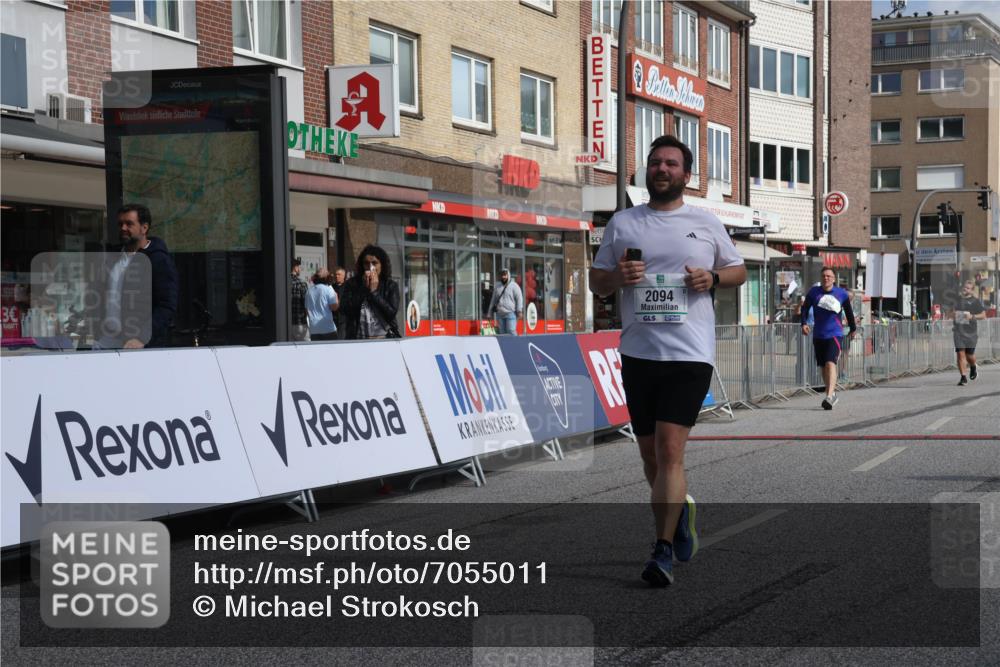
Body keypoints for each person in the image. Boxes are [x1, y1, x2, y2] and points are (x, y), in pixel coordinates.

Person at [589, 135, 746, 587]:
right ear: (647, 172)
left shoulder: (705, 221)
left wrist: (712, 277)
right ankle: (679, 514)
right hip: (639, 351)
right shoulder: (623, 223)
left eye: (671, 164)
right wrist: (617, 276)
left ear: (686, 174)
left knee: (669, 449)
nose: (662, 169)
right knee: (648, 455)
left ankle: (661, 551)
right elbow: (598, 281)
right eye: (655, 163)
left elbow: (737, 270)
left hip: (689, 353)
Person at [97, 203, 178, 349]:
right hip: (108, 340)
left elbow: (166, 305)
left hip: (139, 346)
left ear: (144, 228)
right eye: (120, 224)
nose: (123, 228)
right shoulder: (112, 259)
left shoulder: (158, 260)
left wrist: (142, 338)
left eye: (129, 224)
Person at [800, 267, 857, 409]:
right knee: (823, 366)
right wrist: (804, 323)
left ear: (834, 279)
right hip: (819, 334)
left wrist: (853, 328)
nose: (826, 278)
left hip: (835, 334)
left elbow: (849, 312)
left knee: (831, 362)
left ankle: (829, 395)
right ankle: (831, 394)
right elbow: (805, 308)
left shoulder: (841, 294)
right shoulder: (814, 292)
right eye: (824, 276)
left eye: (829, 276)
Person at [340, 244, 400, 340]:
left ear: (382, 265)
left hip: (385, 339)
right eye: (366, 263)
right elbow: (345, 309)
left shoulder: (390, 285)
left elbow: (391, 313)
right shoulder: (352, 283)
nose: (370, 267)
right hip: (358, 339)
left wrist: (374, 292)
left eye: (374, 263)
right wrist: (364, 289)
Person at [952, 278, 985, 385]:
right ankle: (963, 377)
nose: (965, 289)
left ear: (971, 290)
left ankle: (973, 366)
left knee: (969, 355)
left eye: (967, 288)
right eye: (964, 287)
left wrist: (971, 316)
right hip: (958, 331)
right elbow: (951, 312)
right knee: (960, 354)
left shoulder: (975, 301)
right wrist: (954, 314)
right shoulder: (957, 300)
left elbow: (983, 315)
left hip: (971, 332)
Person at [487, 268, 524, 335]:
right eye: (502, 275)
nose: (503, 277)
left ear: (508, 275)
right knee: (502, 333)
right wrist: (489, 313)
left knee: (511, 330)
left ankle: (515, 344)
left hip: (510, 313)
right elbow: (493, 300)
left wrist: (519, 310)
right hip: (500, 314)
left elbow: (519, 298)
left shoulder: (514, 286)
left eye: (505, 275)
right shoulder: (497, 286)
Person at [305, 268, 339, 341]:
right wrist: (336, 297)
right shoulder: (328, 289)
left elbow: (307, 310)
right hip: (327, 328)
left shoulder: (309, 291)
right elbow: (334, 307)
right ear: (326, 277)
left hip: (314, 329)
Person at [289, 257, 309, 341]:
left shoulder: (282, 282)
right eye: (299, 267)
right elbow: (306, 303)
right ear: (295, 268)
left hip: (285, 324)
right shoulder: (301, 283)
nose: (300, 269)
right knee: (305, 348)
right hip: (299, 322)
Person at [332, 266, 348, 340]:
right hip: (332, 318)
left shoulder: (348, 287)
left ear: (344, 276)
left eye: (339, 274)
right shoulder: (331, 287)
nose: (336, 276)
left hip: (343, 318)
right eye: (335, 274)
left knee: (341, 339)